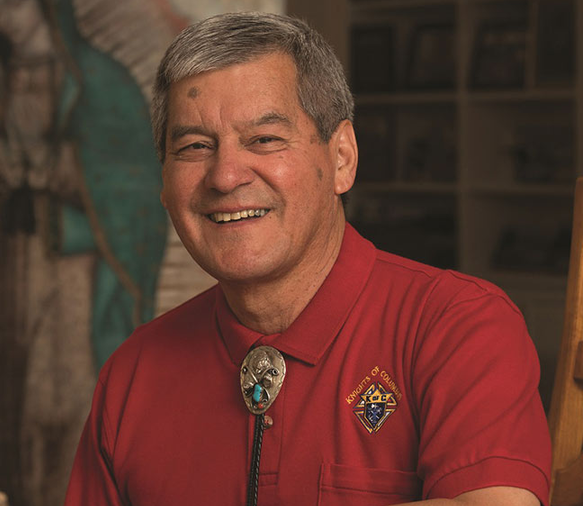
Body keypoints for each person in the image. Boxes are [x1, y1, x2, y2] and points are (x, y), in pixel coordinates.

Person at [64, 12, 551, 506]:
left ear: (341, 159)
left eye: (265, 139)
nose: (226, 176)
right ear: (164, 186)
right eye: (194, 146)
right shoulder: (134, 372)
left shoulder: (456, 325)